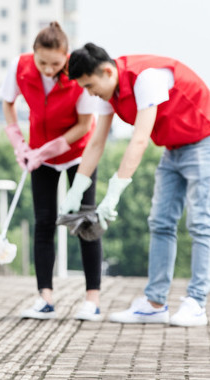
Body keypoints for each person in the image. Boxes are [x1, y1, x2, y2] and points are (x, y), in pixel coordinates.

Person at [62, 42, 210, 327]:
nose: (89, 93)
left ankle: (197, 302)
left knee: (201, 223)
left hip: (203, 141)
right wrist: (77, 188)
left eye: (90, 85)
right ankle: (155, 303)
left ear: (107, 71)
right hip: (173, 147)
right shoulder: (107, 89)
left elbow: (140, 139)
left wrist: (114, 192)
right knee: (160, 222)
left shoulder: (147, 78)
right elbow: (96, 142)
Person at [0, 22, 103, 321]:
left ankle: (91, 300)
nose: (48, 69)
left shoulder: (77, 73)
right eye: (41, 62)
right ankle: (45, 298)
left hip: (78, 153)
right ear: (33, 54)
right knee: (44, 222)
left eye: (55, 63)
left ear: (66, 56)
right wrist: (18, 141)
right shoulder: (19, 67)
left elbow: (85, 125)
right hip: (38, 156)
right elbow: (8, 104)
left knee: (85, 219)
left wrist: (50, 148)